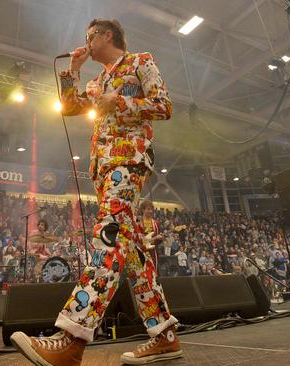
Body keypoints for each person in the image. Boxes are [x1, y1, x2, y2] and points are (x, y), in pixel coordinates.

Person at [10, 18, 181, 366]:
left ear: (107, 36)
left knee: (108, 238)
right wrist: (71, 69)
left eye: (90, 37)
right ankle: (164, 336)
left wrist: (121, 103)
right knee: (132, 254)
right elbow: (70, 106)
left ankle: (72, 337)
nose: (86, 43)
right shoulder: (96, 80)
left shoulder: (140, 62)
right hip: (103, 170)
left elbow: (164, 106)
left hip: (128, 161)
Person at [139, 199, 162, 268]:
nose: (150, 211)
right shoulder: (138, 222)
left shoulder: (156, 223)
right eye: (148, 209)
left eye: (151, 209)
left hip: (152, 252)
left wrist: (159, 238)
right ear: (143, 210)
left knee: (153, 272)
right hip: (141, 251)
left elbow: (158, 241)